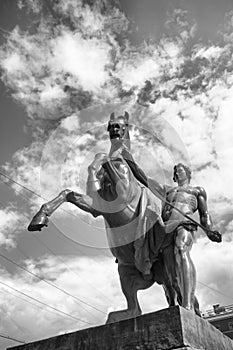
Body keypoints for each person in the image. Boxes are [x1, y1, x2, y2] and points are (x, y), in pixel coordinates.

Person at [122, 149, 221, 311]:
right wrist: (129, 159)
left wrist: (210, 230)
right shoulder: (168, 190)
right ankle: (186, 305)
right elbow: (144, 178)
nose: (176, 172)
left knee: (182, 250)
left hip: (183, 224)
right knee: (172, 279)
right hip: (166, 230)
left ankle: (188, 304)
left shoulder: (197, 190)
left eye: (179, 170)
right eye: (175, 171)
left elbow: (205, 214)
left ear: (187, 173)